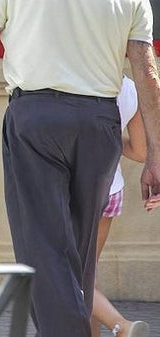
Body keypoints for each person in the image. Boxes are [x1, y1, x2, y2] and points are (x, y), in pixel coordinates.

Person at [0, 0, 160, 336]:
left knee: (42, 250)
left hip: (34, 118)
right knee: (75, 254)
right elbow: (145, 73)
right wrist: (155, 154)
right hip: (98, 122)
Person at [92, 77, 149, 337]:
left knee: (70, 274)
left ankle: (121, 326)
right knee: (86, 271)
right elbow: (140, 151)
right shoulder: (128, 87)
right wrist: (113, 141)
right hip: (110, 190)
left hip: (76, 192)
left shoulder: (75, 78)